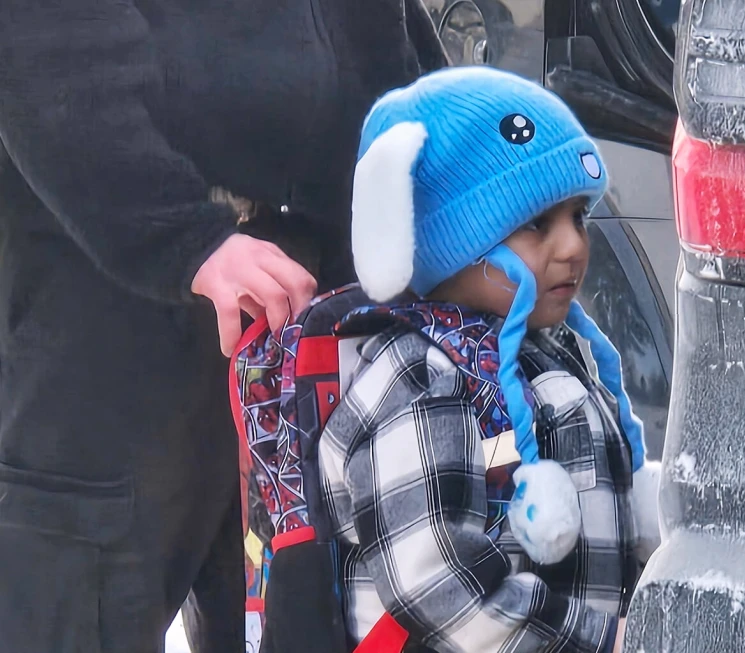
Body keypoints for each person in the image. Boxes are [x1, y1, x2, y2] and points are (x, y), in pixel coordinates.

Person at [0, 2, 444, 651]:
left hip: (315, 313)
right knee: (83, 609)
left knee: (303, 617)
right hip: (113, 314)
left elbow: (395, 59)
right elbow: (49, 65)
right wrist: (182, 237)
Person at [311, 66, 661, 652]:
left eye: (578, 216)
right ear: (456, 243)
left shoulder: (545, 353)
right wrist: (601, 642)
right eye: (535, 224)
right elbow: (435, 582)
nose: (573, 246)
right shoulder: (420, 376)